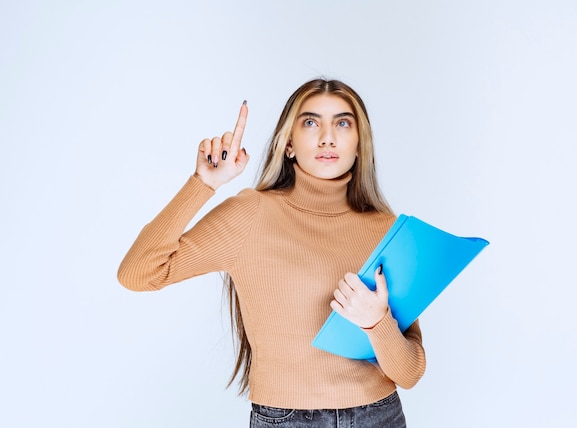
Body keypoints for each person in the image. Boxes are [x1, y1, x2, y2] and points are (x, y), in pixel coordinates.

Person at [118, 78, 426, 427]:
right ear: (289, 144)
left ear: (359, 145)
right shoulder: (251, 214)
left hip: (379, 416)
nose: (327, 137)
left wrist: (377, 323)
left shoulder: (387, 229)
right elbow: (138, 272)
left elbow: (410, 372)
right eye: (310, 122)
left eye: (343, 123)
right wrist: (203, 184)